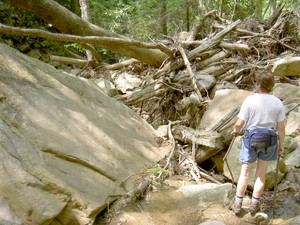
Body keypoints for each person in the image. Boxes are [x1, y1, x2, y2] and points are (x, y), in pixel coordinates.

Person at [231, 70, 286, 215]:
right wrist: (281, 146)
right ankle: (255, 204)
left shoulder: (250, 100)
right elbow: (281, 127)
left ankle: (238, 203)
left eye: (256, 82)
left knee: (245, 173)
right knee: (261, 175)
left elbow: (239, 122)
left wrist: (235, 131)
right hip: (269, 140)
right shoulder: (277, 103)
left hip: (251, 139)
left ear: (259, 84)